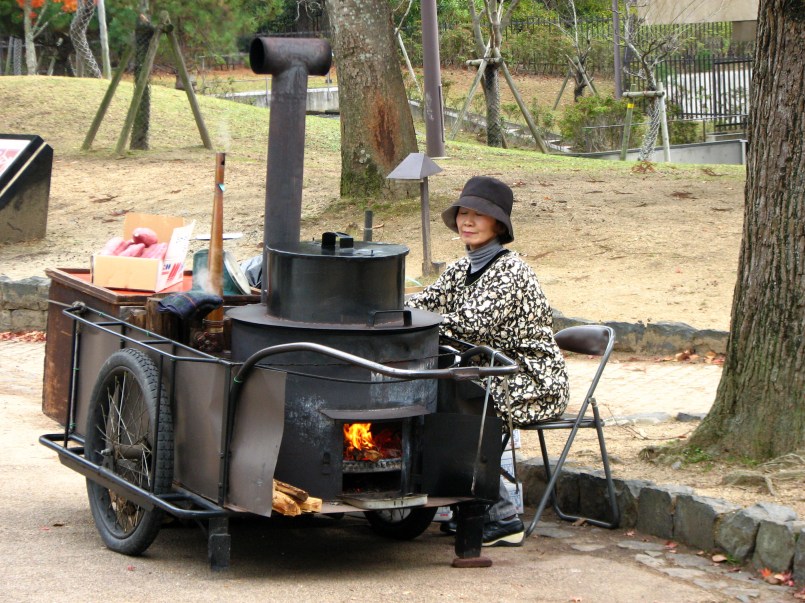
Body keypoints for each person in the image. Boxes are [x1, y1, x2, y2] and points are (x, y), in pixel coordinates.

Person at [407, 175, 570, 547]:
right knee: (439, 394)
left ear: (498, 224)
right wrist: (386, 308)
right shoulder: (460, 269)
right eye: (463, 212)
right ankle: (466, 505)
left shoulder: (511, 271)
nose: (467, 220)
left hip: (530, 377)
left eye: (478, 214)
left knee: (462, 407)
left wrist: (415, 319)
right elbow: (424, 302)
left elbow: (470, 324)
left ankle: (503, 518)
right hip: (488, 372)